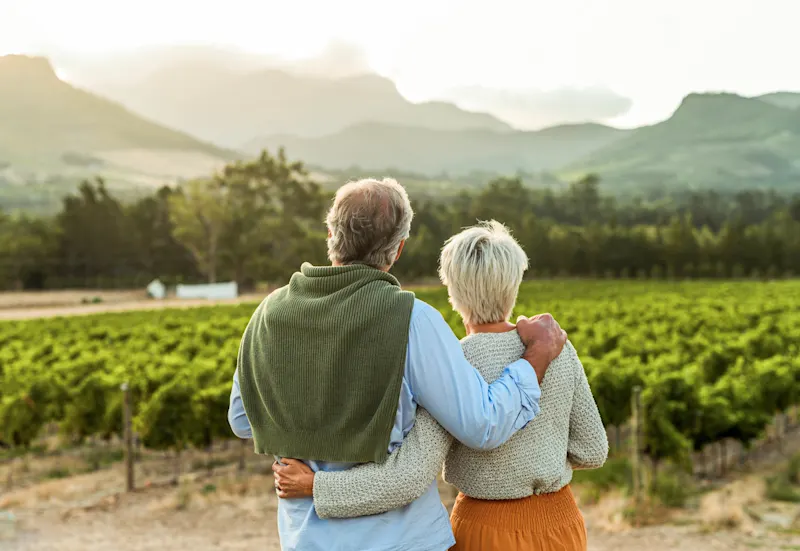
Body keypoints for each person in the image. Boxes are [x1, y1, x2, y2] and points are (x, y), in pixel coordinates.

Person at [227, 178, 568, 551]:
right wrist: (535, 359)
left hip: (303, 539)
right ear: (399, 248)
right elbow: (482, 424)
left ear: (330, 234)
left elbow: (243, 420)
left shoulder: (268, 313)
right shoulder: (413, 320)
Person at [274, 221, 608, 551]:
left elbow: (408, 476)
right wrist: (542, 460)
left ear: (452, 290)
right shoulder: (556, 348)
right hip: (562, 524)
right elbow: (593, 451)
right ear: (514, 282)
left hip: (486, 530)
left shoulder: (453, 363)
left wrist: (317, 486)